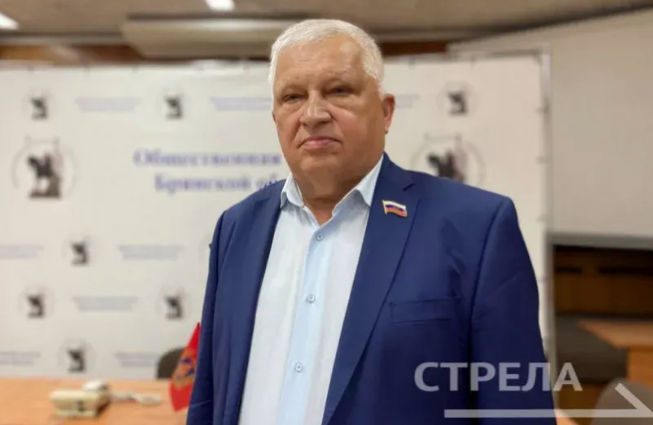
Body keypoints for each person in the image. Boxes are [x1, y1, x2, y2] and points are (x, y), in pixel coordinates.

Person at [187, 19, 556, 425]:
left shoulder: (476, 229)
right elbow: (208, 398)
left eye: (338, 90)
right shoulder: (237, 228)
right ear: (275, 116)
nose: (313, 114)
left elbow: (517, 411)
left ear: (385, 111)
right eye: (293, 97)